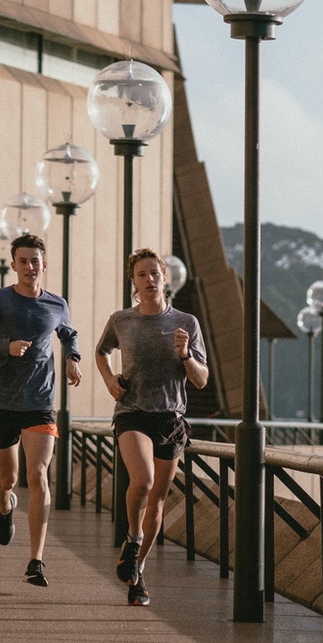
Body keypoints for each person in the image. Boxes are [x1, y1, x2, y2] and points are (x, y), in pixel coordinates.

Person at [0, 233, 81, 587]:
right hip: (3, 402)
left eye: (35, 261)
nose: (29, 267)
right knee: (7, 478)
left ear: (44, 265)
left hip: (41, 402)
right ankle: (4, 505)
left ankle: (36, 561)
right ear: (13, 265)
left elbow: (68, 333)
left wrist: (72, 357)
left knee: (38, 475)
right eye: (23, 261)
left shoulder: (57, 304)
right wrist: (4, 347)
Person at [95, 247, 209, 606]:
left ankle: (138, 572)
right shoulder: (122, 320)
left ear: (165, 278)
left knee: (157, 501)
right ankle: (132, 537)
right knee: (141, 480)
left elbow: (202, 380)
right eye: (141, 274)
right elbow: (101, 352)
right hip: (132, 412)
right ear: (133, 281)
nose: (149, 280)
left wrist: (186, 355)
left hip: (170, 418)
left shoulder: (186, 323)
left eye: (154, 273)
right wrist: (110, 380)